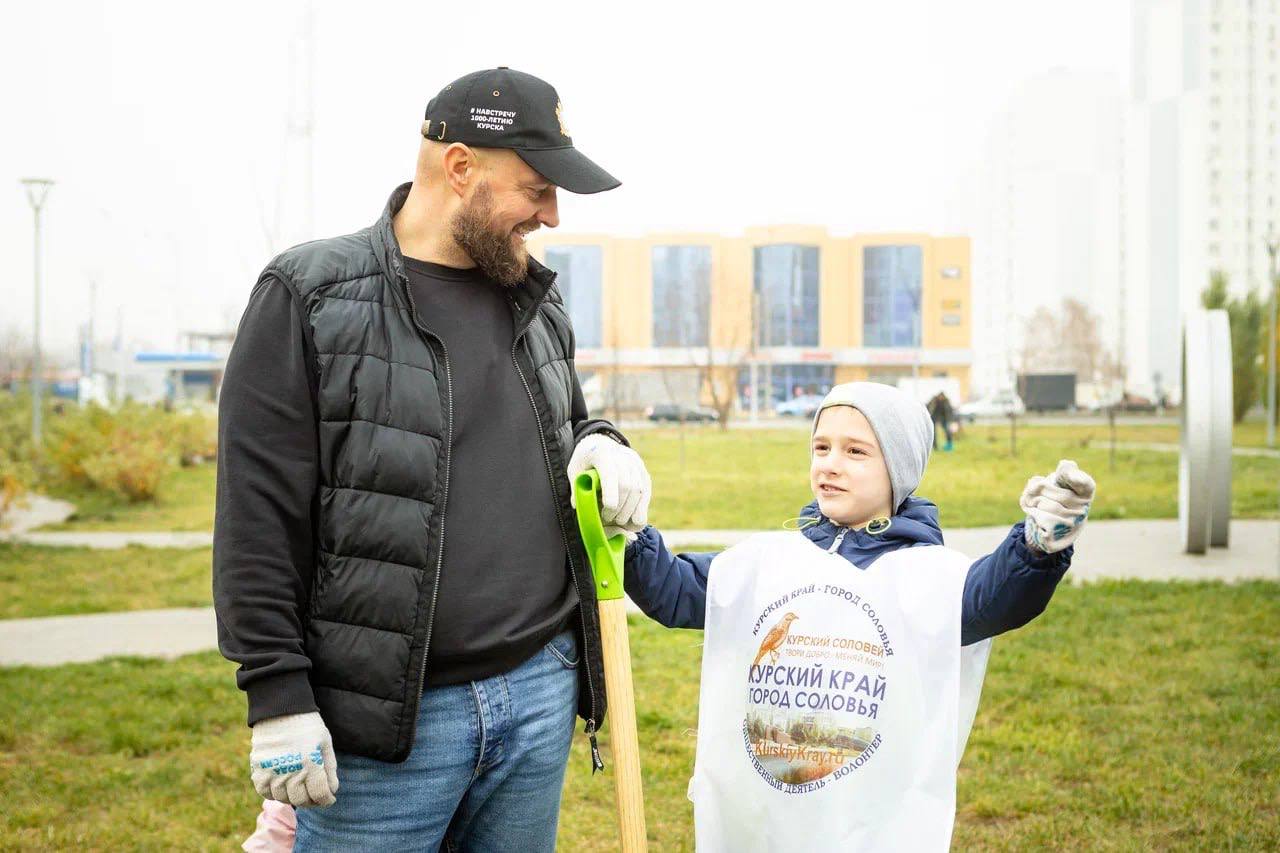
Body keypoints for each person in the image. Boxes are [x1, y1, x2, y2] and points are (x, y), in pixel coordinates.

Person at [214, 67, 652, 851]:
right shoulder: (310, 297)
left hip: (539, 692)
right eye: (537, 188)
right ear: (459, 167)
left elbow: (564, 424)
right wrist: (276, 693)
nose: (552, 214)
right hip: (388, 731)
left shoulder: (537, 300)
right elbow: (257, 517)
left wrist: (601, 441)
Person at [622, 382, 1096, 846]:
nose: (830, 464)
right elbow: (675, 590)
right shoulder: (765, 563)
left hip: (868, 826)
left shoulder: (930, 578)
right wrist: (627, 533)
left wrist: (1036, 547)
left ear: (898, 468)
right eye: (821, 447)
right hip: (764, 825)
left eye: (855, 452)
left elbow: (995, 598)